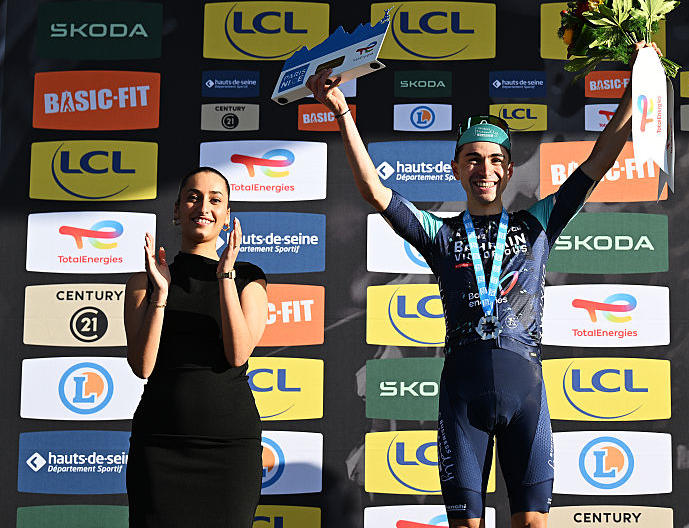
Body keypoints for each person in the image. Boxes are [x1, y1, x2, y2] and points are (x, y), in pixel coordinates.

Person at [306, 42, 659, 528]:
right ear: (455, 169)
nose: (485, 169)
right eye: (472, 159)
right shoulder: (441, 234)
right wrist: (342, 111)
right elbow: (373, 190)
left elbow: (598, 162)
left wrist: (638, 86)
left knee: (533, 524)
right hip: (463, 392)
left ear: (510, 170)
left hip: (525, 388)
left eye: (495, 160)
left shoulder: (538, 223)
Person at [124, 167, 269, 528]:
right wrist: (162, 294)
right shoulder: (145, 280)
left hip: (228, 450)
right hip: (160, 445)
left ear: (226, 217)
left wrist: (224, 276)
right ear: (176, 211)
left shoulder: (249, 278)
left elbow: (237, 354)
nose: (203, 206)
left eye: (215, 199)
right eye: (193, 197)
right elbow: (143, 366)